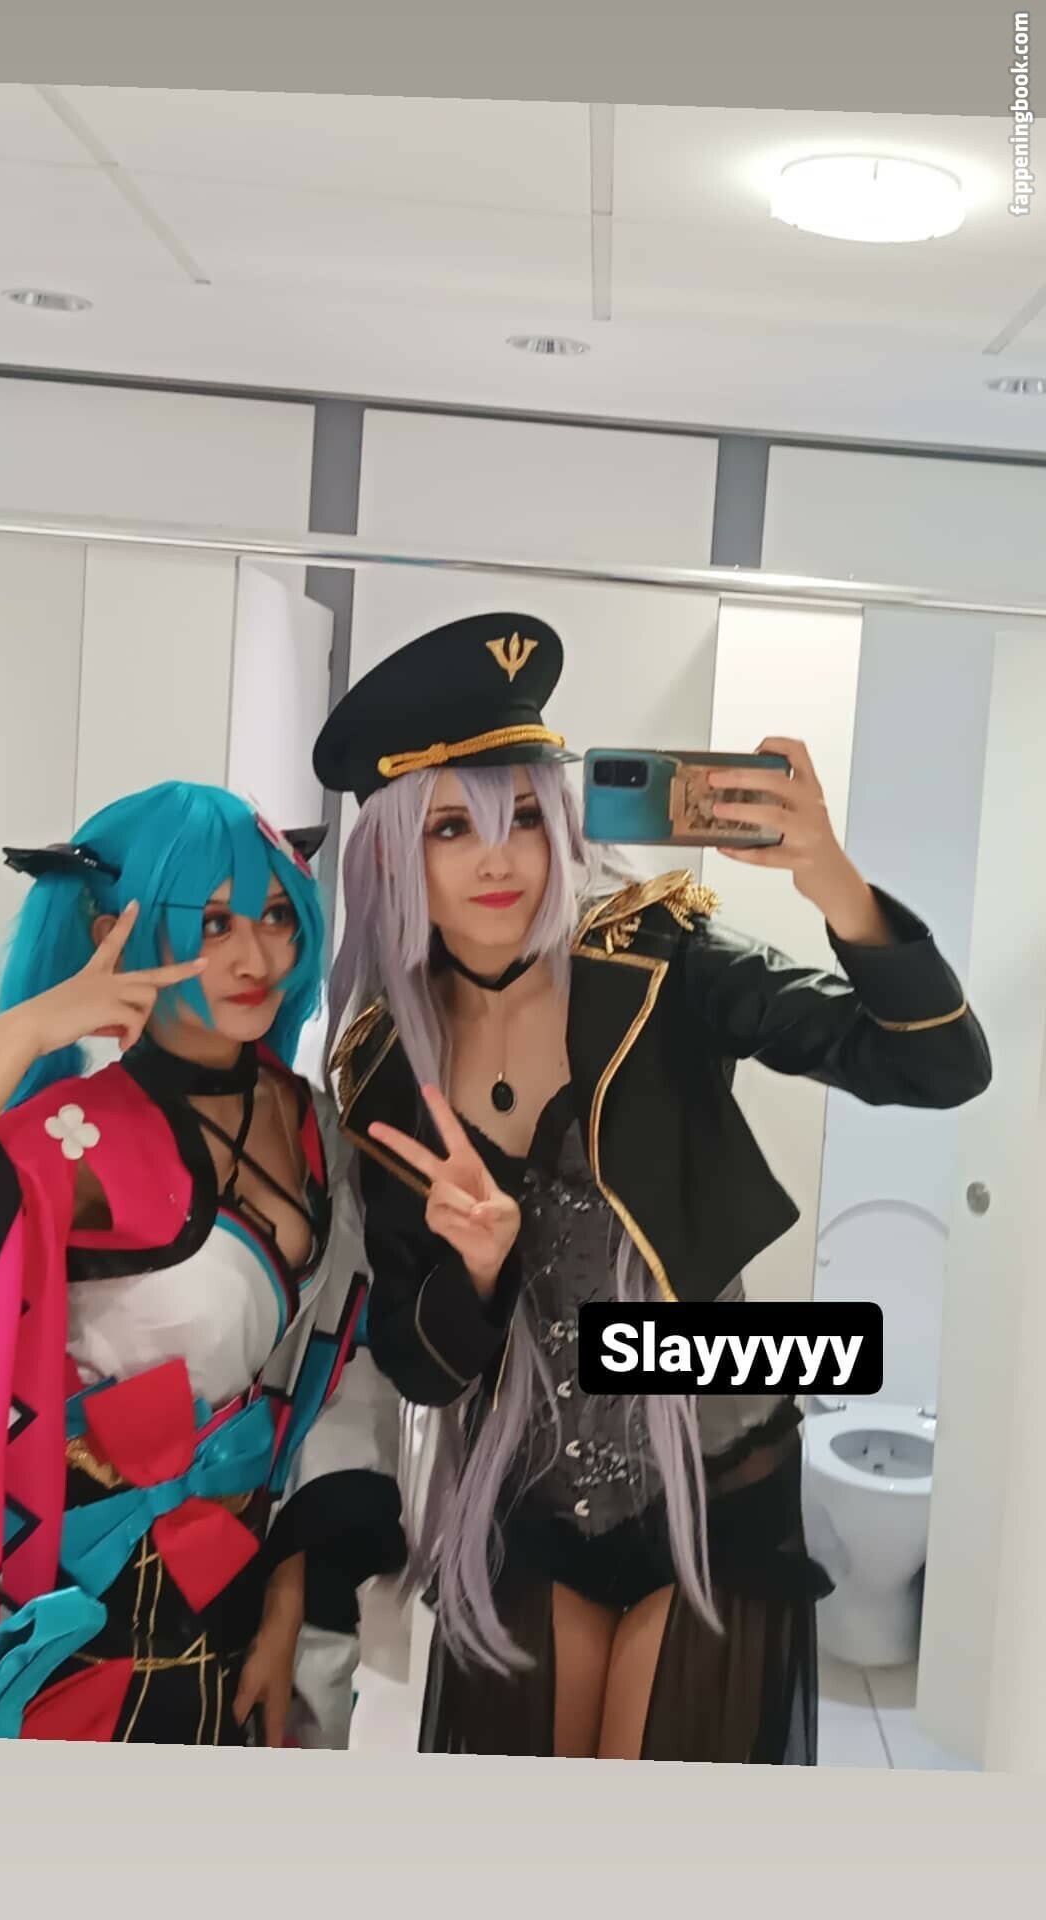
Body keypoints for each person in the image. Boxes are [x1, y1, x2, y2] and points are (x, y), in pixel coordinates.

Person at [313, 611, 992, 1765]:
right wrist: (480, 1270)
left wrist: (832, 880)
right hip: (522, 1495)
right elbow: (419, 1366)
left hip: (717, 1473)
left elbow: (939, 1067)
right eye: (451, 828)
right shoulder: (381, 1068)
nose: (498, 861)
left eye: (527, 818)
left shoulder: (658, 960)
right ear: (390, 854)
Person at [0, 781, 405, 1746]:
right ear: (115, 932)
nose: (258, 957)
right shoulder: (66, 1141)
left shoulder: (316, 1124)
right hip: (82, 1596)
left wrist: (291, 1594)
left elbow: (323, 1385)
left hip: (249, 1579)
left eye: (277, 915)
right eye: (212, 924)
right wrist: (27, 1029)